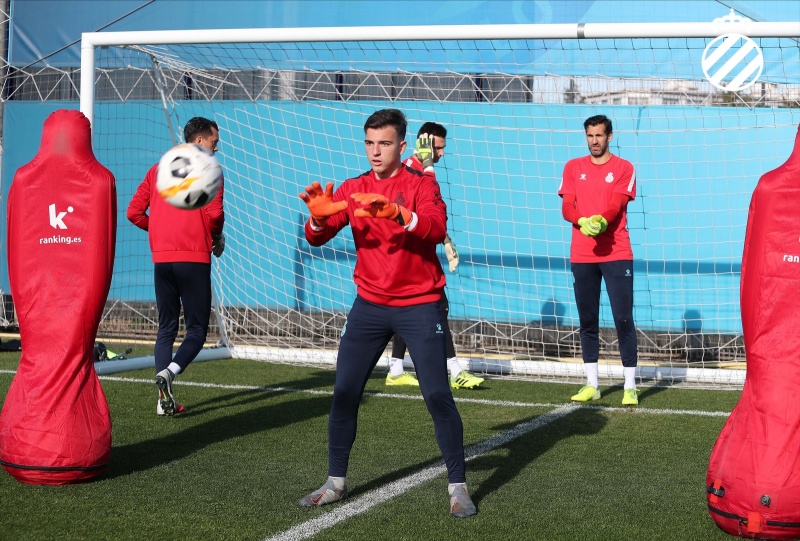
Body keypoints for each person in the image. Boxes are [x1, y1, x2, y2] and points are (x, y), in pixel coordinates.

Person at [297, 109, 476, 518]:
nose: (375, 151)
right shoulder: (353, 187)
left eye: (384, 143)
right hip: (369, 307)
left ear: (401, 145)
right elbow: (318, 237)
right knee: (344, 392)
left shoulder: (421, 184)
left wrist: (398, 214)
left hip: (420, 305)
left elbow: (435, 227)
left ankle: (458, 487)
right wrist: (317, 221)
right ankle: (335, 483)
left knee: (437, 395)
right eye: (369, 143)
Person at [127, 117, 225, 416]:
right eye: (214, 142)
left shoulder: (157, 170)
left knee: (166, 328)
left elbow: (133, 212)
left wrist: (159, 232)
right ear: (200, 141)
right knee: (196, 331)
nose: (216, 148)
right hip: (193, 258)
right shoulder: (209, 169)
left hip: (163, 260)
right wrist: (217, 237)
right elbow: (214, 215)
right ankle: (169, 373)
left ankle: (162, 402)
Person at [386, 122, 484, 390]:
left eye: (442, 148)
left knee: (410, 310)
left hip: (419, 254)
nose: (441, 153)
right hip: (409, 258)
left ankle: (395, 369)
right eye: (438, 148)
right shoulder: (409, 172)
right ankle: (455, 370)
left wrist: (445, 239)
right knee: (437, 307)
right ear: (424, 145)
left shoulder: (422, 171)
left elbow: (430, 214)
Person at [558, 114, 639, 406]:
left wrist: (602, 221)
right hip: (582, 254)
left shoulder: (624, 167)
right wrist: (581, 221)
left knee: (623, 318)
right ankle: (592, 384)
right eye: (590, 136)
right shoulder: (573, 167)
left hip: (617, 252)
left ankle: (630, 386)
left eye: (599, 135)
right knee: (587, 319)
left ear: (609, 136)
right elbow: (567, 207)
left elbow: (616, 205)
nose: (594, 141)